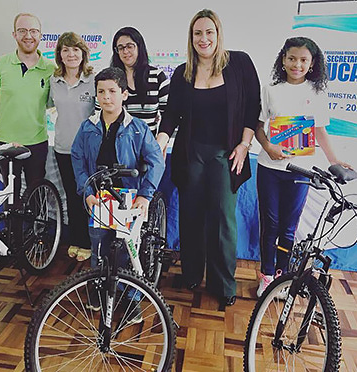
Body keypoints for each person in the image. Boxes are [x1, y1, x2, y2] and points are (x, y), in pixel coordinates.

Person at [156, 9, 261, 309]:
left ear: (218, 34)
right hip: (191, 154)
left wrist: (244, 144)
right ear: (191, 38)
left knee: (223, 222)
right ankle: (191, 273)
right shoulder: (182, 72)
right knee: (189, 217)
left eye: (209, 32)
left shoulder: (239, 63)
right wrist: (160, 142)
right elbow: (172, 114)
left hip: (226, 154)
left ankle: (223, 283)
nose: (204, 39)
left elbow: (252, 106)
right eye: (197, 33)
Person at [255, 36, 353, 297]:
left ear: (311, 64)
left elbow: (319, 130)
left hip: (301, 172)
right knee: (270, 224)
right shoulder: (270, 89)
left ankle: (282, 275)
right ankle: (266, 275)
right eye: (292, 59)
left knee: (289, 227)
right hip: (270, 169)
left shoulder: (316, 92)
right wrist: (268, 147)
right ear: (283, 60)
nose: (297, 64)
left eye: (303, 60)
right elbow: (258, 126)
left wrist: (334, 160)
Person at [71, 67, 165, 324]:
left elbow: (157, 162)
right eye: (101, 92)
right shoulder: (87, 127)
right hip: (100, 197)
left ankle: (131, 299)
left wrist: (145, 196)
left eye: (112, 91)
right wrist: (87, 192)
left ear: (124, 94)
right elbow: (78, 160)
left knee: (127, 248)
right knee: (99, 245)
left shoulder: (137, 128)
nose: (106, 97)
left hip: (128, 197)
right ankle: (99, 288)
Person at [0, 13, 55, 198]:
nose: (28, 36)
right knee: (10, 194)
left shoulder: (51, 68)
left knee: (36, 192)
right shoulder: (0, 63)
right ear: (14, 34)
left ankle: (35, 227)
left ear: (40, 35)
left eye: (33, 31)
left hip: (37, 142)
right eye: (22, 30)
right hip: (6, 142)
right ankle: (13, 228)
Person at [49, 32, 95, 262]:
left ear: (83, 53)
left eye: (75, 49)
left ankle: (89, 242)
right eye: (65, 50)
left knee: (87, 195)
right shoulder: (53, 80)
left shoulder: (93, 79)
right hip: (63, 147)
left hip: (88, 150)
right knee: (71, 195)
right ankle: (76, 239)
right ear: (59, 54)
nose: (71, 54)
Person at [109, 27, 169, 136]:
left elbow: (169, 117)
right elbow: (100, 115)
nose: (125, 51)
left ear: (139, 47)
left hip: (147, 148)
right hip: (117, 148)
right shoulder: (110, 78)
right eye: (120, 48)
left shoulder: (157, 76)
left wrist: (160, 143)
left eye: (129, 46)